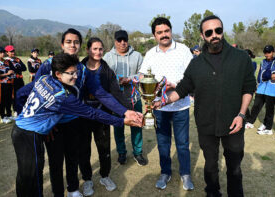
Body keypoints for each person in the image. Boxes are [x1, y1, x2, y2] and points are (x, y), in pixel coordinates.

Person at [11, 53, 142, 197]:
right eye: (71, 73)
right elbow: (92, 113)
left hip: (19, 130)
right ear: (58, 74)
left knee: (24, 174)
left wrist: (28, 117)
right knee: (33, 176)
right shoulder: (62, 97)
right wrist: (121, 121)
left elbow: (21, 93)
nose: (75, 76)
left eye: (76, 72)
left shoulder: (44, 78)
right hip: (30, 135)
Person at [154, 15, 256, 196]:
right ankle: (212, 192)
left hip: (234, 122)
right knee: (210, 165)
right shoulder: (196, 64)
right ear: (203, 36)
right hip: (206, 124)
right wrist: (162, 101)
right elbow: (182, 89)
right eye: (209, 32)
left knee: (234, 167)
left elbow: (249, 88)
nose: (214, 35)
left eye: (218, 30)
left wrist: (241, 115)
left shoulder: (241, 58)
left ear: (222, 31)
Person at [139, 17, 194, 191]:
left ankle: (185, 174)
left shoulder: (183, 50)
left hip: (180, 106)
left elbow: (192, 77)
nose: (164, 35)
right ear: (154, 35)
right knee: (163, 143)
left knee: (183, 143)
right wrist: (148, 90)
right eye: (159, 32)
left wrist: (175, 85)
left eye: (166, 31)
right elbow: (142, 76)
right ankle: (165, 172)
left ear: (171, 31)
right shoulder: (150, 54)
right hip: (159, 107)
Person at [78, 37, 132, 195]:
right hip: (83, 117)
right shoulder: (79, 68)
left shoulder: (107, 70)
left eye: (100, 49)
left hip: (102, 116)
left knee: (104, 148)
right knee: (84, 149)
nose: (97, 52)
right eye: (94, 49)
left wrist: (128, 109)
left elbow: (115, 92)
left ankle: (105, 175)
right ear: (88, 50)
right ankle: (87, 179)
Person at [103, 30, 147, 166]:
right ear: (115, 41)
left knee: (137, 125)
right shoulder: (108, 57)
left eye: (125, 40)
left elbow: (143, 74)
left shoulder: (137, 56)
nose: (122, 43)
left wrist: (131, 79)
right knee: (118, 127)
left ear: (128, 40)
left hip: (134, 98)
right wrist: (116, 80)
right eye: (119, 40)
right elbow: (103, 75)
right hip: (116, 101)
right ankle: (122, 152)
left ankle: (138, 152)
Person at [245, 45, 275, 131]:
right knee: (256, 105)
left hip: (271, 88)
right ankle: (250, 122)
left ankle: (265, 124)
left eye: (268, 52)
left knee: (269, 108)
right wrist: (258, 83)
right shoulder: (263, 61)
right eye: (265, 52)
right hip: (261, 87)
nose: (266, 54)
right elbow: (260, 73)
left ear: (273, 52)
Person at [0, 47, 14, 123]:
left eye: (3, 52)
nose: (2, 54)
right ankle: (3, 117)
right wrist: (6, 74)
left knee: (9, 99)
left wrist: (12, 71)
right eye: (0, 52)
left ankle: (9, 114)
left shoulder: (7, 61)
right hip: (1, 84)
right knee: (2, 100)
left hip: (9, 83)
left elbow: (12, 69)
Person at [5, 45, 27, 117]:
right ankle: (15, 110)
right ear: (7, 52)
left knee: (23, 94)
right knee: (14, 95)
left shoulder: (17, 59)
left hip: (20, 79)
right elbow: (11, 69)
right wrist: (18, 68)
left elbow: (24, 68)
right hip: (13, 80)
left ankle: (22, 108)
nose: (13, 53)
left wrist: (17, 68)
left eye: (13, 51)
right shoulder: (6, 61)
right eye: (11, 51)